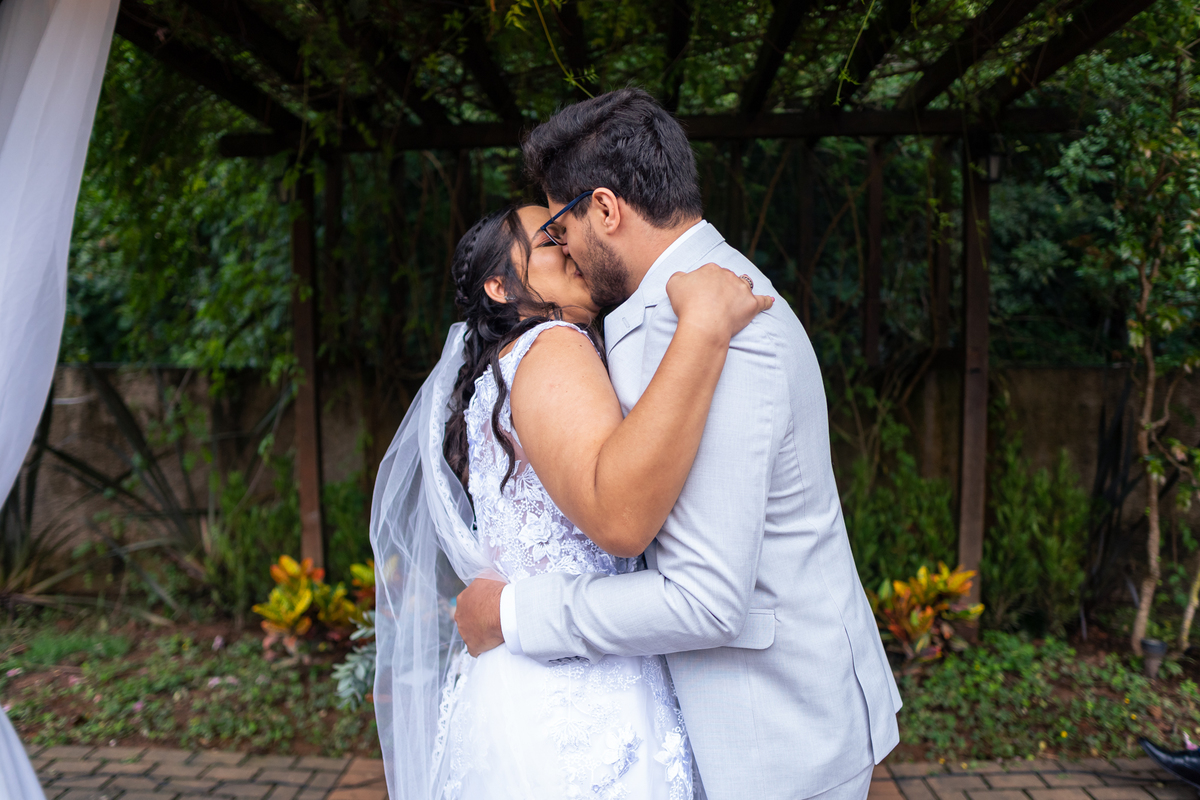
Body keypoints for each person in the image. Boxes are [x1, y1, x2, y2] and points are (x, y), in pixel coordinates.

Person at [454, 87, 903, 800]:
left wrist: (512, 613)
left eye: (562, 226)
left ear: (605, 209)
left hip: (776, 736)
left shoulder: (709, 324)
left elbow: (705, 598)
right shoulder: (682, 304)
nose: (564, 248)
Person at [370, 201, 772, 799]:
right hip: (581, 704)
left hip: (516, 686)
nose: (567, 246)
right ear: (500, 287)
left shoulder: (501, 371)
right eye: (547, 240)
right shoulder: (554, 344)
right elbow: (621, 518)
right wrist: (703, 328)